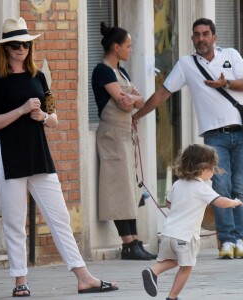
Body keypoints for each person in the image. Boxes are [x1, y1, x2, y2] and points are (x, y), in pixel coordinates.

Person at [0, 17, 118, 297]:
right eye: (15, 44)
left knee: (59, 217)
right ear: (6, 49)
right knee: (15, 222)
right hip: (7, 154)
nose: (22, 49)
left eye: (26, 44)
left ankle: (83, 277)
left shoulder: (38, 77)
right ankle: (20, 281)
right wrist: (20, 111)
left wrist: (43, 116)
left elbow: (54, 117)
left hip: (38, 153)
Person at [133, 18, 243, 259]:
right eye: (197, 35)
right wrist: (138, 114)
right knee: (221, 186)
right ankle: (227, 240)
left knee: (239, 188)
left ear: (214, 37)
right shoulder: (187, 65)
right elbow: (163, 92)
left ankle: (240, 238)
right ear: (192, 39)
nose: (201, 39)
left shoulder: (230, 54)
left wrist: (226, 83)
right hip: (214, 136)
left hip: (242, 132)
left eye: (206, 34)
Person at [142, 144, 243, 300]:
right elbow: (219, 202)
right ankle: (172, 297)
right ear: (202, 169)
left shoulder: (177, 184)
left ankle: (153, 271)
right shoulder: (201, 187)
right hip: (185, 237)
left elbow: (169, 204)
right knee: (186, 267)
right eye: (212, 168)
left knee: (173, 261)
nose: (213, 172)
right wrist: (233, 202)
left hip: (168, 234)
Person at [91, 22, 156, 260]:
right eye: (128, 46)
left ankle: (135, 240)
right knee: (119, 189)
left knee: (130, 189)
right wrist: (132, 98)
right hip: (112, 136)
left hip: (125, 135)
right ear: (116, 47)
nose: (130, 50)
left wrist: (133, 98)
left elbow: (139, 100)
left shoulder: (122, 72)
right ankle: (127, 243)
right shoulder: (102, 71)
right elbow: (123, 101)